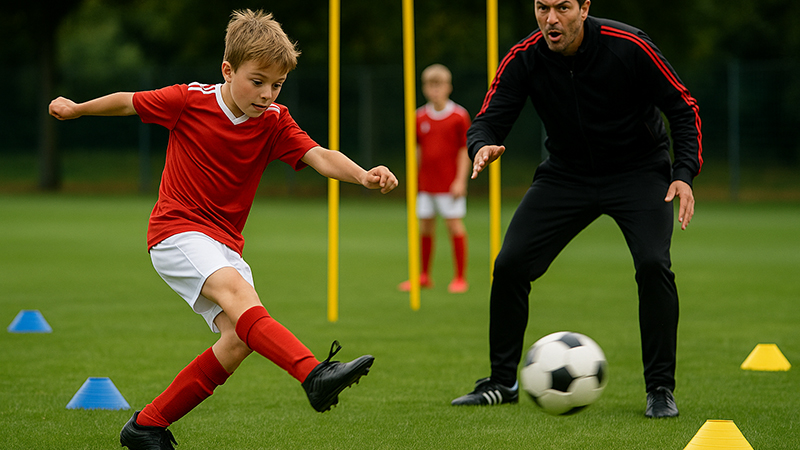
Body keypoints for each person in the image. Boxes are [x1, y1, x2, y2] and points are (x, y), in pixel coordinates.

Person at [49, 9, 398, 450]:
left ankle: (147, 426)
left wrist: (364, 175)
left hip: (224, 243)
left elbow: (320, 155)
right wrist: (77, 108)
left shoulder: (274, 121)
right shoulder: (189, 100)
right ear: (228, 70)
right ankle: (314, 374)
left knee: (237, 340)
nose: (267, 94)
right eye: (257, 81)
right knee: (238, 297)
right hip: (177, 231)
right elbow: (128, 100)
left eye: (277, 85)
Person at [450, 0, 701, 419]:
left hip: (639, 174)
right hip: (566, 176)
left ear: (584, 8)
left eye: (562, 7)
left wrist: (683, 173)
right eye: (542, 7)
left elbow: (682, 107)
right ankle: (501, 382)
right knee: (510, 264)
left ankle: (659, 389)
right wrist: (482, 146)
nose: (551, 19)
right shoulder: (525, 57)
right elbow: (486, 122)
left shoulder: (629, 46)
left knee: (654, 264)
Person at [398, 64, 472, 294]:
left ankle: (460, 277)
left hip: (449, 183)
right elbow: (417, 150)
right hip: (426, 184)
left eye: (439, 85)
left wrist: (461, 180)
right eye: (430, 85)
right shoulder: (419, 116)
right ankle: (423, 276)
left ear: (448, 87)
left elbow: (464, 150)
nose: (435, 89)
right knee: (426, 226)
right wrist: (414, 179)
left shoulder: (459, 116)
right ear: (424, 88)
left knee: (453, 225)